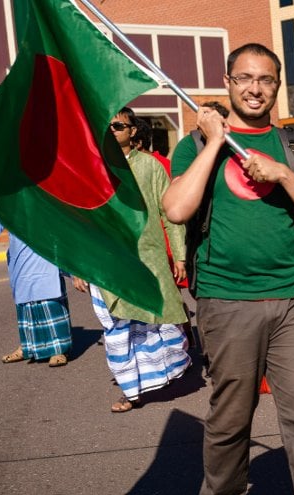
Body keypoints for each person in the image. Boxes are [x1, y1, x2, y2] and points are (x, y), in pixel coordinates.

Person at [161, 43, 294, 495]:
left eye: (265, 79)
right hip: (225, 300)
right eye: (244, 78)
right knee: (230, 418)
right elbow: (176, 209)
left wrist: (283, 174)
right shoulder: (195, 145)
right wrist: (216, 142)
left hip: (292, 300)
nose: (255, 88)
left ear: (278, 86)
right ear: (228, 82)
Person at [72, 107, 190, 413]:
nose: (111, 131)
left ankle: (159, 374)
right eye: (106, 127)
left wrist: (179, 255)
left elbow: (170, 213)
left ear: (132, 131)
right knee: (116, 329)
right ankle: (130, 390)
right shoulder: (91, 169)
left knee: (155, 323)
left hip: (147, 259)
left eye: (117, 126)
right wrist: (79, 266)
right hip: (106, 264)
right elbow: (82, 221)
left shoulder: (151, 167)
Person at [0, 216, 72, 367]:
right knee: (25, 300)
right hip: (20, 252)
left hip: (45, 247)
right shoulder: (12, 194)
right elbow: (0, 206)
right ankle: (27, 347)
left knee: (49, 297)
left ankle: (59, 350)